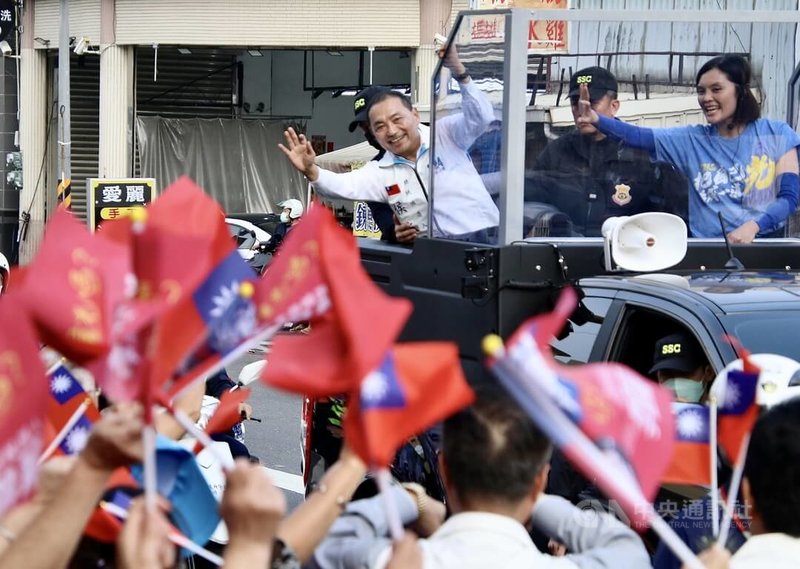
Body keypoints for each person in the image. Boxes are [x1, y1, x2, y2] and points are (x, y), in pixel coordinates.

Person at [308, 388, 650, 568]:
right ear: (539, 481)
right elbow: (623, 544)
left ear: (443, 468)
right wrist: (534, 497)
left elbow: (322, 542)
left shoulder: (392, 562)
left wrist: (409, 499)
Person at [279, 47, 498, 244]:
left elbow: (481, 116)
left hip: (483, 241)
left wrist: (460, 71)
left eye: (396, 119)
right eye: (378, 126)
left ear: (413, 114)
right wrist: (311, 170)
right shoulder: (379, 170)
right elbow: (339, 185)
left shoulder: (445, 134)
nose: (391, 131)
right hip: (432, 254)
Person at [577, 55, 800, 243]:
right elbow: (636, 136)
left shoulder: (776, 134)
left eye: (716, 89)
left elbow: (789, 197)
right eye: (701, 91)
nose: (706, 98)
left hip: (767, 251)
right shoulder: (691, 139)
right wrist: (596, 118)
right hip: (708, 256)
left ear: (740, 92)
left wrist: (755, 226)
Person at [530, 67, 688, 236]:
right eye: (576, 103)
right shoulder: (556, 152)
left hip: (628, 254)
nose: (582, 110)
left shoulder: (642, 156)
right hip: (566, 252)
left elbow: (669, 222)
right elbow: (533, 202)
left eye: (592, 102)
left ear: (614, 106)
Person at [347, 85, 397, 243]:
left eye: (372, 123)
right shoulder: (374, 172)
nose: (370, 132)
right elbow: (387, 224)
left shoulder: (432, 144)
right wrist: (397, 232)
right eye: (365, 128)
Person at [650, 332, 715, 403]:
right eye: (666, 374)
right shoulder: (646, 412)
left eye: (683, 374)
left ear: (709, 372)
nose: (675, 385)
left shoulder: (721, 412)